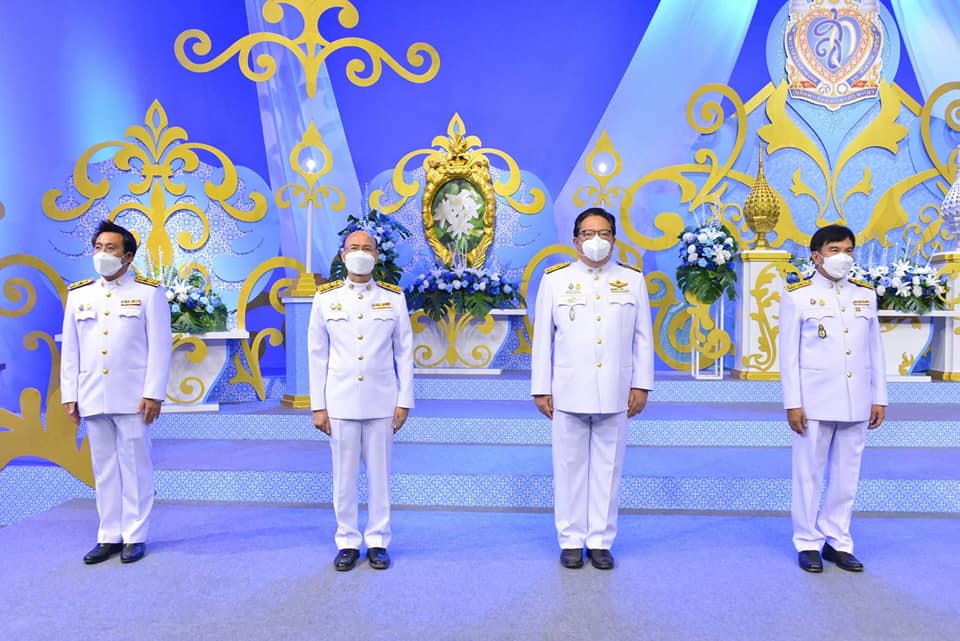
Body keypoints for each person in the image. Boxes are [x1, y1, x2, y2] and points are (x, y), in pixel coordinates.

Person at [531, 207, 654, 570]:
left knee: (608, 468)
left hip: (616, 390)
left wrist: (641, 384)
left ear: (614, 239)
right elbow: (543, 339)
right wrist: (541, 388)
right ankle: (571, 540)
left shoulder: (632, 280)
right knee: (568, 468)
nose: (596, 240)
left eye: (603, 233)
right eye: (588, 233)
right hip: (568, 391)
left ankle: (600, 540)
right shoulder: (556, 280)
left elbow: (642, 338)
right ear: (575, 240)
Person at [61, 220, 172, 564]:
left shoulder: (148, 293)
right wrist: (70, 395)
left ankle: (134, 535)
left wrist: (153, 393)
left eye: (110, 248)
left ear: (128, 256)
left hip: (133, 397)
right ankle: (109, 534)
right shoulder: (79, 295)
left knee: (135, 466)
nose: (102, 254)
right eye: (98, 248)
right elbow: (71, 350)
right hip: (92, 394)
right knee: (104, 468)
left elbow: (160, 347)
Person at [779, 224, 887, 573]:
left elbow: (875, 350)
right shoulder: (798, 296)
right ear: (817, 256)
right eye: (834, 250)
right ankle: (807, 542)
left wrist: (879, 397)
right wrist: (793, 403)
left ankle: (838, 541)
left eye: (848, 250)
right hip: (814, 401)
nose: (843, 257)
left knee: (846, 476)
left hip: (857, 400)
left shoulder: (865, 294)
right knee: (808, 474)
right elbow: (788, 356)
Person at [308, 229, 414, 571]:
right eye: (354, 247)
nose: (360, 253)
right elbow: (317, 355)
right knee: (344, 477)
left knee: (380, 476)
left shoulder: (393, 298)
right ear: (343, 255)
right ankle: (348, 541)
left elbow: (405, 352)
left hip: (382, 400)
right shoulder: (325, 298)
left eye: (367, 248)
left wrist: (404, 399)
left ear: (377, 256)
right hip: (339, 402)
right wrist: (318, 405)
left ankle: (379, 540)